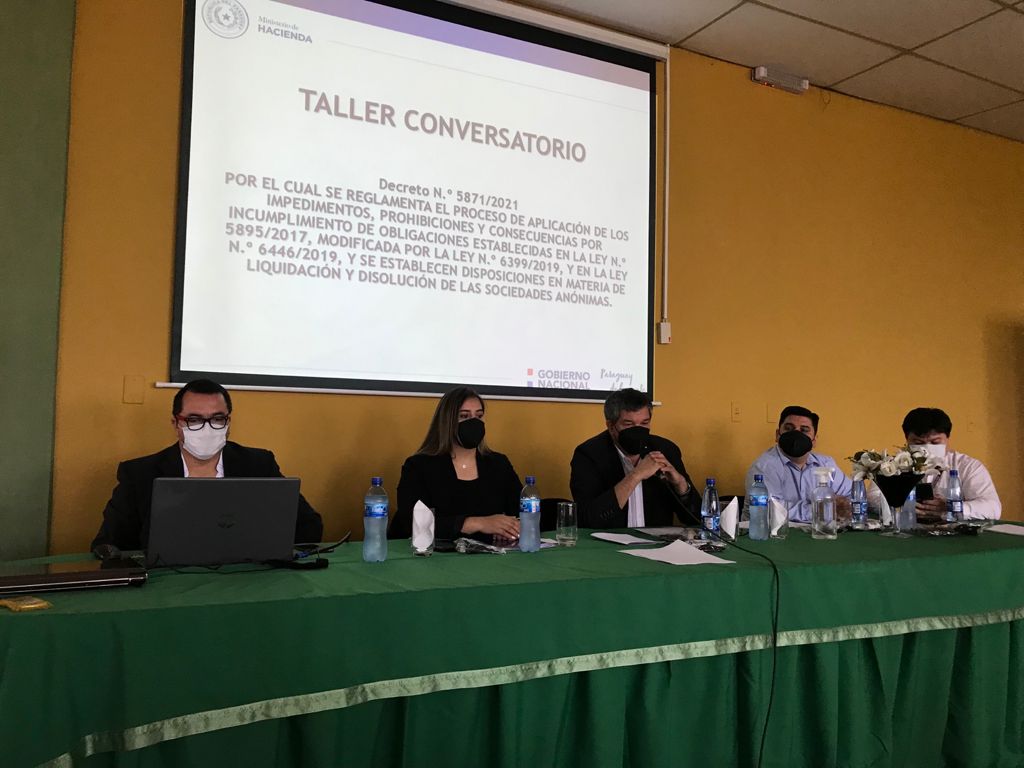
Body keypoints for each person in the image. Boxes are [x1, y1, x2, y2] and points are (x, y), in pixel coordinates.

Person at [91, 378, 322, 551]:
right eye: (194, 420)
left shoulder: (258, 464)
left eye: (217, 419)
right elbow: (108, 545)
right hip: (167, 585)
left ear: (228, 423)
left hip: (244, 578)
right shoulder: (139, 474)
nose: (207, 428)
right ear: (176, 424)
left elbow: (308, 525)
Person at [390, 386, 522, 543]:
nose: (474, 422)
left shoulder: (498, 464)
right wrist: (477, 523)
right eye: (464, 416)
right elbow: (413, 522)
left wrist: (510, 528)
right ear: (447, 422)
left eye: (479, 416)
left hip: (489, 553)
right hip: (433, 554)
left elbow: (523, 511)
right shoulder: (419, 466)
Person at [570, 388, 700, 529]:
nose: (638, 430)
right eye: (629, 424)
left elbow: (696, 519)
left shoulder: (665, 450)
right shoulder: (589, 455)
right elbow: (588, 519)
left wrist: (680, 484)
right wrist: (636, 475)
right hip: (610, 541)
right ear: (611, 426)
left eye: (644, 423)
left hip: (656, 541)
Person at [745, 405, 868, 522]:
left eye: (804, 430)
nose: (796, 434)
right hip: (769, 533)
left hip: (817, 531)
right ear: (777, 435)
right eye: (789, 428)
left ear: (814, 440)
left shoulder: (826, 464)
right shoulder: (764, 466)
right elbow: (770, 510)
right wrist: (822, 510)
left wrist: (842, 506)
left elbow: (854, 496)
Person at [901, 407, 1001, 520]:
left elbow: (993, 508)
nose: (927, 449)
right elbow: (882, 501)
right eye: (918, 443)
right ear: (907, 440)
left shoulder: (968, 466)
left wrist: (952, 508)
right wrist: (903, 505)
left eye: (935, 442)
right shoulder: (894, 467)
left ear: (948, 439)